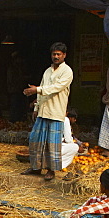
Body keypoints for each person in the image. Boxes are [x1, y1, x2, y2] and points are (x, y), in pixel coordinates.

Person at [23, 42, 74, 181]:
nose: (56, 57)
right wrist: (36, 107)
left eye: (58, 54)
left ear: (64, 55)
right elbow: (42, 89)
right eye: (54, 54)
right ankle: (36, 167)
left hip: (56, 112)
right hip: (43, 111)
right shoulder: (47, 71)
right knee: (36, 140)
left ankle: (51, 170)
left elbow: (55, 88)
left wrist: (37, 89)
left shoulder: (67, 71)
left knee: (52, 143)